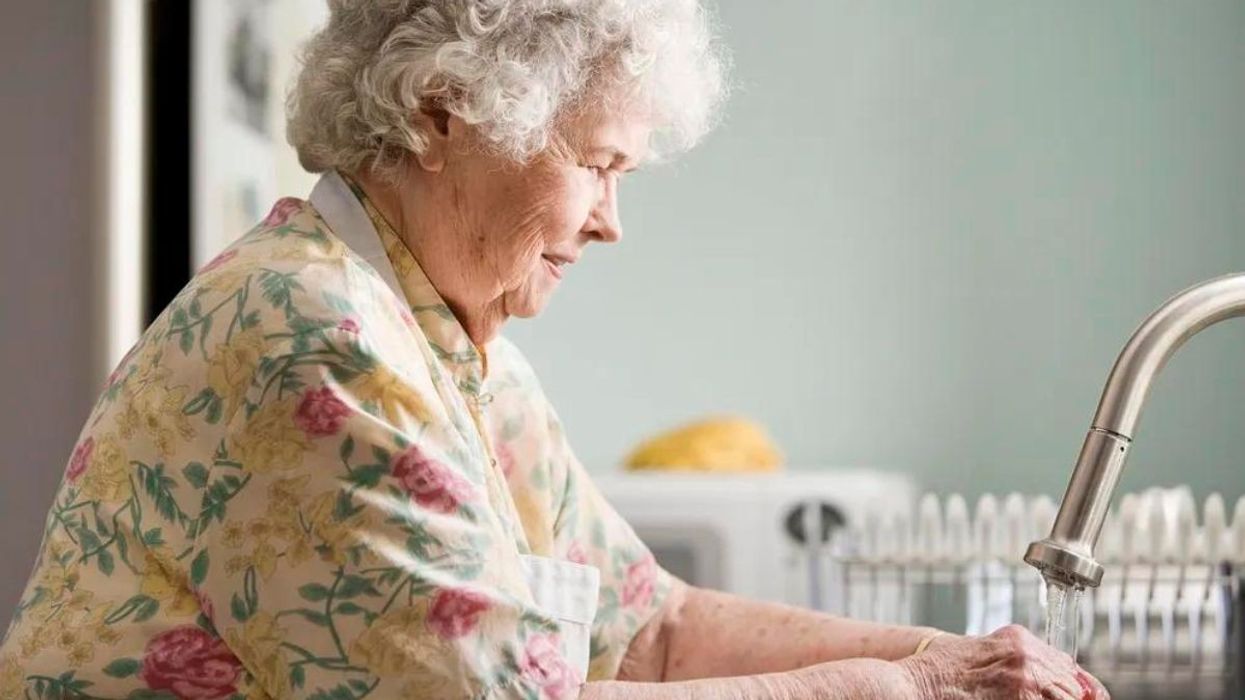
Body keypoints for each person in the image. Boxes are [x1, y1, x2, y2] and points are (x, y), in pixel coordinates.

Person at [0, 1, 1107, 698]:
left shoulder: (451, 341)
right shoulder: (316, 342)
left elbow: (652, 629)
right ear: (441, 115)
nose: (611, 221)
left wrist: (958, 661)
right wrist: (896, 690)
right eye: (597, 164)